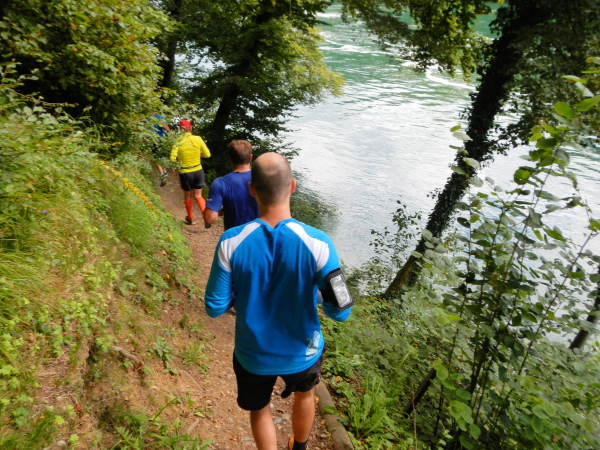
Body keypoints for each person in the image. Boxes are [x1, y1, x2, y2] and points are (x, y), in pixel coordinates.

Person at [204, 152, 353, 450]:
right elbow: (340, 311)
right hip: (303, 350)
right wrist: (315, 294)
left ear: (252, 189)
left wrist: (244, 289)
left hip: (252, 353)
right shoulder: (319, 243)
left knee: (260, 409)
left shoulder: (231, 241)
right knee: (305, 395)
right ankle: (299, 446)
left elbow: (215, 306)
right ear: (293, 186)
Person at [203, 139, 259, 231]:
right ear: (250, 157)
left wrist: (220, 208)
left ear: (229, 158)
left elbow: (209, 218)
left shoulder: (220, 183)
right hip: (260, 236)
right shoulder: (262, 179)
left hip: (234, 237)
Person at [170, 119, 211, 226]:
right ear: (191, 128)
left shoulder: (177, 140)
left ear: (180, 130)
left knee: (188, 196)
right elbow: (207, 155)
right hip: (198, 170)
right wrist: (198, 154)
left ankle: (190, 218)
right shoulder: (198, 139)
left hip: (185, 172)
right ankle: (207, 219)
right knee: (198, 195)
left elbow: (172, 159)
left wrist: (180, 158)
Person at [149, 113, 171, 186]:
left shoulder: (147, 118)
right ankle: (164, 172)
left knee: (157, 158)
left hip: (154, 140)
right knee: (162, 157)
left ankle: (162, 175)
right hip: (162, 139)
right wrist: (170, 132)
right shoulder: (159, 116)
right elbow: (164, 126)